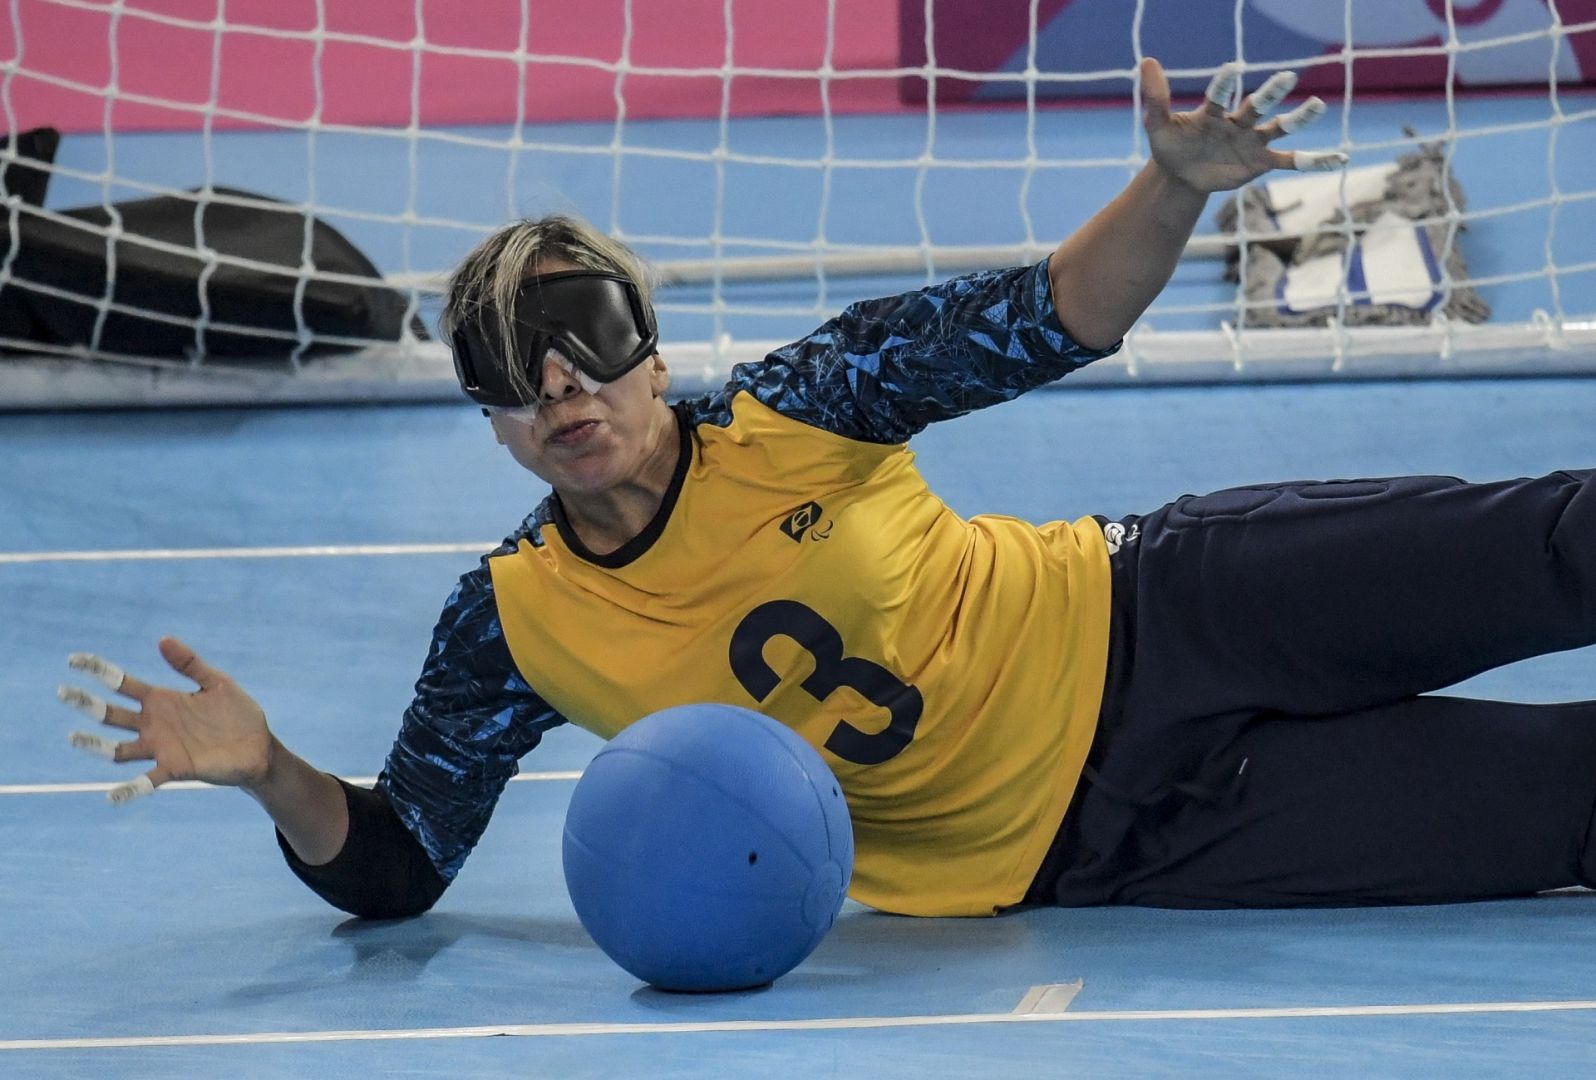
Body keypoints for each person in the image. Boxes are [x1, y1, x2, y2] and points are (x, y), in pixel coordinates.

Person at [57, 58, 1596, 919]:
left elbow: (1065, 314)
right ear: (492, 422)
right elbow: (398, 866)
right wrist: (273, 773)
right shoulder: (513, 624)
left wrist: (1175, 184)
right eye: (516, 380)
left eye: (586, 350)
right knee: (1566, 809)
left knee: (1554, 545)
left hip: (1170, 604)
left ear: (650, 351)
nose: (564, 396)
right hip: (1120, 837)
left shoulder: (803, 405)